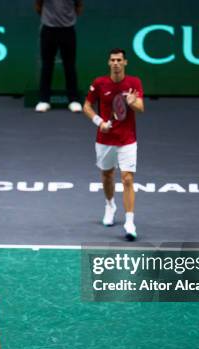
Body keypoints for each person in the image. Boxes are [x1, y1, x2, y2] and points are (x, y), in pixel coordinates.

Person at [82, 48, 145, 240]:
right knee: (107, 175)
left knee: (127, 179)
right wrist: (99, 122)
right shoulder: (100, 83)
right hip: (105, 140)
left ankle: (129, 221)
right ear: (109, 63)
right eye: (113, 60)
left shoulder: (134, 83)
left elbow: (141, 108)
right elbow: (86, 106)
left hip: (127, 139)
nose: (116, 63)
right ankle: (110, 205)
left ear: (125, 62)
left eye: (119, 60)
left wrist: (132, 102)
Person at [34, 0, 83, 113]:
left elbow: (79, 5)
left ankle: (73, 100)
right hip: (48, 30)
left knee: (69, 66)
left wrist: (68, 19)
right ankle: (44, 100)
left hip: (68, 30)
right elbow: (38, 5)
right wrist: (49, 19)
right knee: (47, 65)